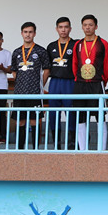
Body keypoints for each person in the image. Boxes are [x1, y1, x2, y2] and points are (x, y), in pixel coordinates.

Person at [71, 14, 108, 151]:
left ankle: (102, 149)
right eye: (85, 25)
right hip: (80, 84)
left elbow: (107, 65)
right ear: (82, 27)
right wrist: (79, 79)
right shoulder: (78, 44)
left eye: (90, 25)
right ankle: (83, 150)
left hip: (96, 84)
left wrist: (102, 81)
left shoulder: (103, 43)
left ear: (96, 26)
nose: (87, 27)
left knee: (100, 116)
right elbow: (74, 64)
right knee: (80, 117)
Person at [10, 22, 51, 149]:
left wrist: (40, 84)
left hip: (35, 92)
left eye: (30, 32)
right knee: (20, 121)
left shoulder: (41, 51)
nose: (28, 35)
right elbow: (14, 71)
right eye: (25, 32)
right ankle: (19, 149)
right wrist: (21, 82)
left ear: (34, 33)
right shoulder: (17, 52)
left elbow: (47, 70)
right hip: (19, 93)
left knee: (34, 120)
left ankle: (35, 149)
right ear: (21, 33)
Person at [46, 17, 76, 149]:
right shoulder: (51, 46)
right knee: (53, 113)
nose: (63, 30)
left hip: (70, 81)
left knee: (71, 112)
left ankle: (72, 142)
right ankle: (56, 143)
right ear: (56, 29)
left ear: (70, 29)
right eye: (61, 27)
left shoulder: (75, 44)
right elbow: (47, 68)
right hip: (55, 82)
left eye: (66, 27)